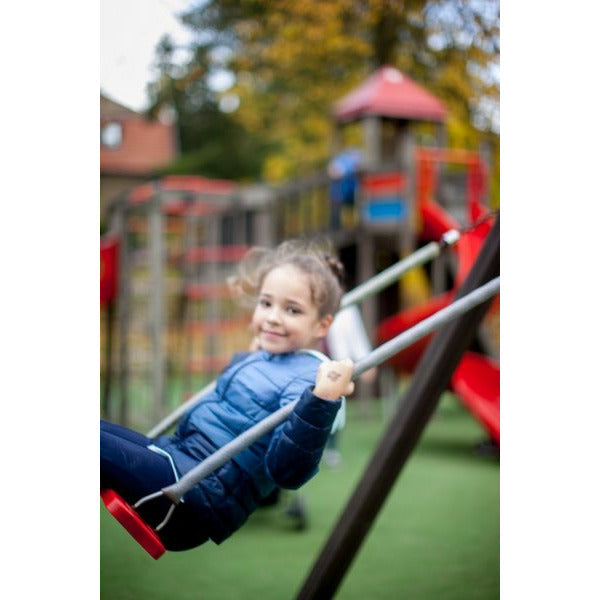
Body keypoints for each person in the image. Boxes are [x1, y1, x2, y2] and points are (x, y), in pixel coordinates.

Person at [101, 240, 355, 551]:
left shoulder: (308, 378)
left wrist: (322, 401)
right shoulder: (263, 357)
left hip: (192, 497)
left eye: (292, 310)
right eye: (266, 304)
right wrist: (251, 360)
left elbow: (287, 473)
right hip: (177, 457)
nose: (273, 317)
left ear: (321, 325)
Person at [322, 304, 378, 467]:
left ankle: (332, 449)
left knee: (334, 408)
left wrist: (366, 361)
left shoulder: (346, 307)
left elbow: (356, 335)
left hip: (335, 362)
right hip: (313, 359)